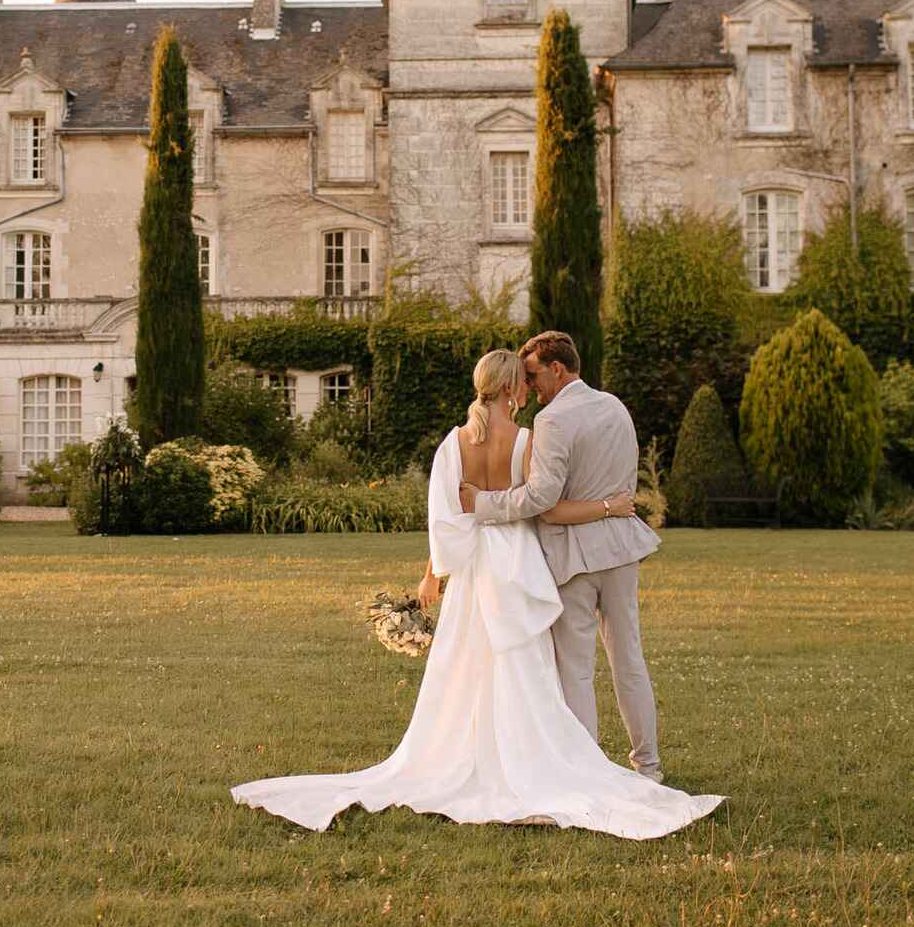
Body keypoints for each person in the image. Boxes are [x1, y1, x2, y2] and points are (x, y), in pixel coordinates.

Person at [231, 350, 721, 836]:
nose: (529, 388)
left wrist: (433, 575)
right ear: (510, 388)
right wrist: (607, 506)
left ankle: (478, 755)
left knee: (471, 665)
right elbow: (539, 503)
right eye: (523, 381)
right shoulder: (527, 439)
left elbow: (444, 519)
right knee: (531, 667)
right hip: (519, 565)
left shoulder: (454, 442)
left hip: (472, 570)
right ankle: (570, 761)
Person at [458, 331, 665, 781]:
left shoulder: (552, 420)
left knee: (575, 670)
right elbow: (622, 485)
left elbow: (542, 498)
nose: (528, 385)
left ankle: (586, 772)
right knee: (629, 661)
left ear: (556, 368)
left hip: (574, 558)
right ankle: (648, 767)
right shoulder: (616, 407)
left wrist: (482, 503)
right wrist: (607, 507)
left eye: (533, 375)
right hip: (620, 549)